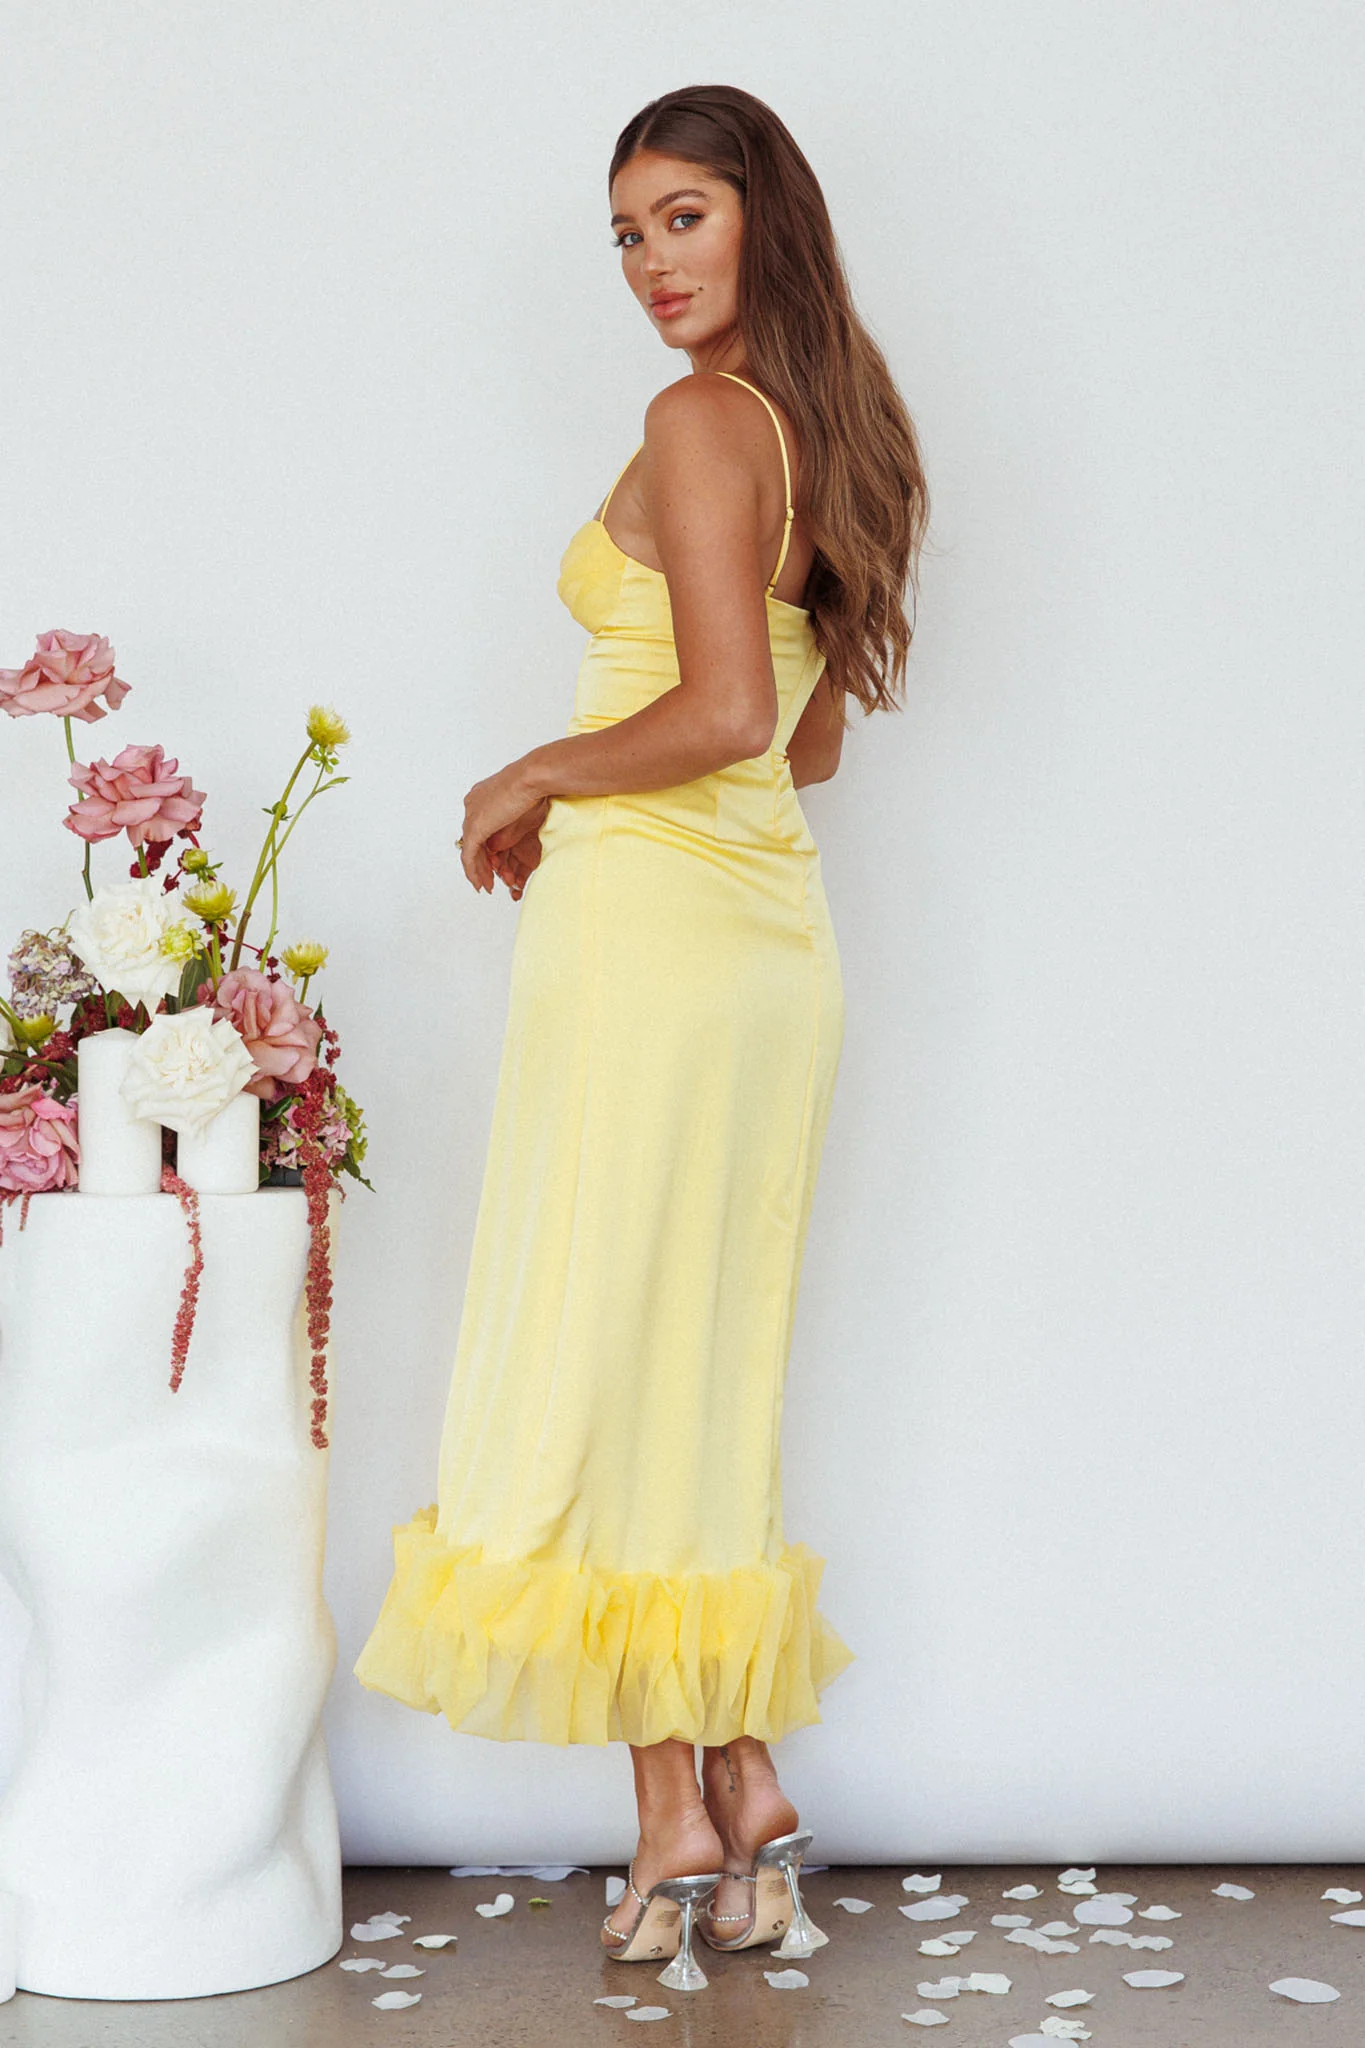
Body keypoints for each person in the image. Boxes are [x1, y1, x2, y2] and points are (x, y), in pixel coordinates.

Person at [353, 82, 929, 1989]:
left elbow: (725, 715)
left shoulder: (701, 422)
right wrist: (631, 763)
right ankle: (735, 1787)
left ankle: (675, 1811)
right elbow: (809, 736)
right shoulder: (832, 432)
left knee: (607, 1354)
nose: (649, 264)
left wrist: (533, 767)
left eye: (683, 216)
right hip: (768, 948)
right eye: (625, 232)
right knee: (697, 1368)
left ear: (765, 214)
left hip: (655, 940)